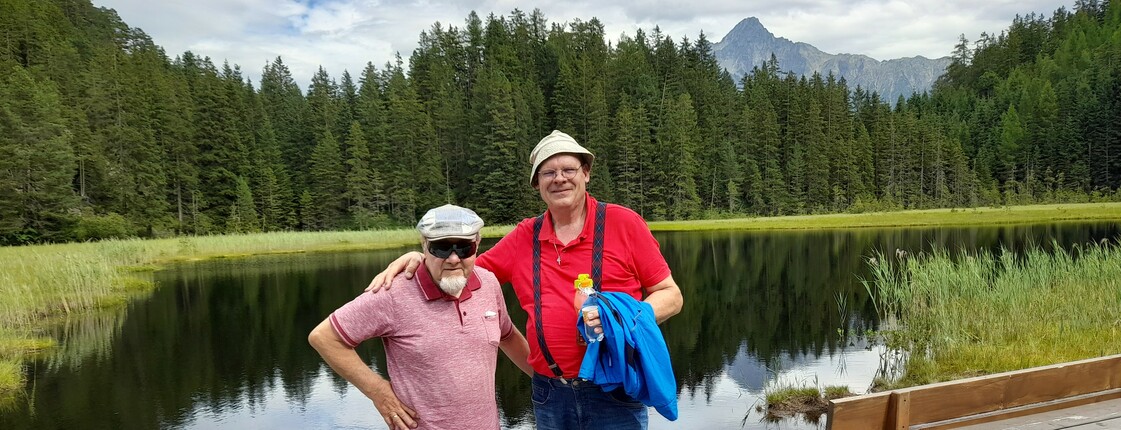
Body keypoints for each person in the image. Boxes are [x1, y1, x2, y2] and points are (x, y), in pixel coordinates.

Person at [366, 130, 684, 429]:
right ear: (537, 184)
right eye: (548, 172)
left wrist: (623, 318)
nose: (559, 178)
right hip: (549, 393)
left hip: (615, 390)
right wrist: (424, 259)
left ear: (586, 173)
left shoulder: (623, 223)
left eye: (569, 169)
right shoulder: (523, 237)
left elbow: (670, 295)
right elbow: (464, 272)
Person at [309, 204, 532, 430]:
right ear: (424, 245)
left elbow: (507, 335)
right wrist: (378, 392)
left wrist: (547, 381)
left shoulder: (488, 283)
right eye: (441, 248)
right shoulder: (393, 292)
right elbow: (324, 338)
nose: (454, 258)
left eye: (464, 247)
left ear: (477, 245)